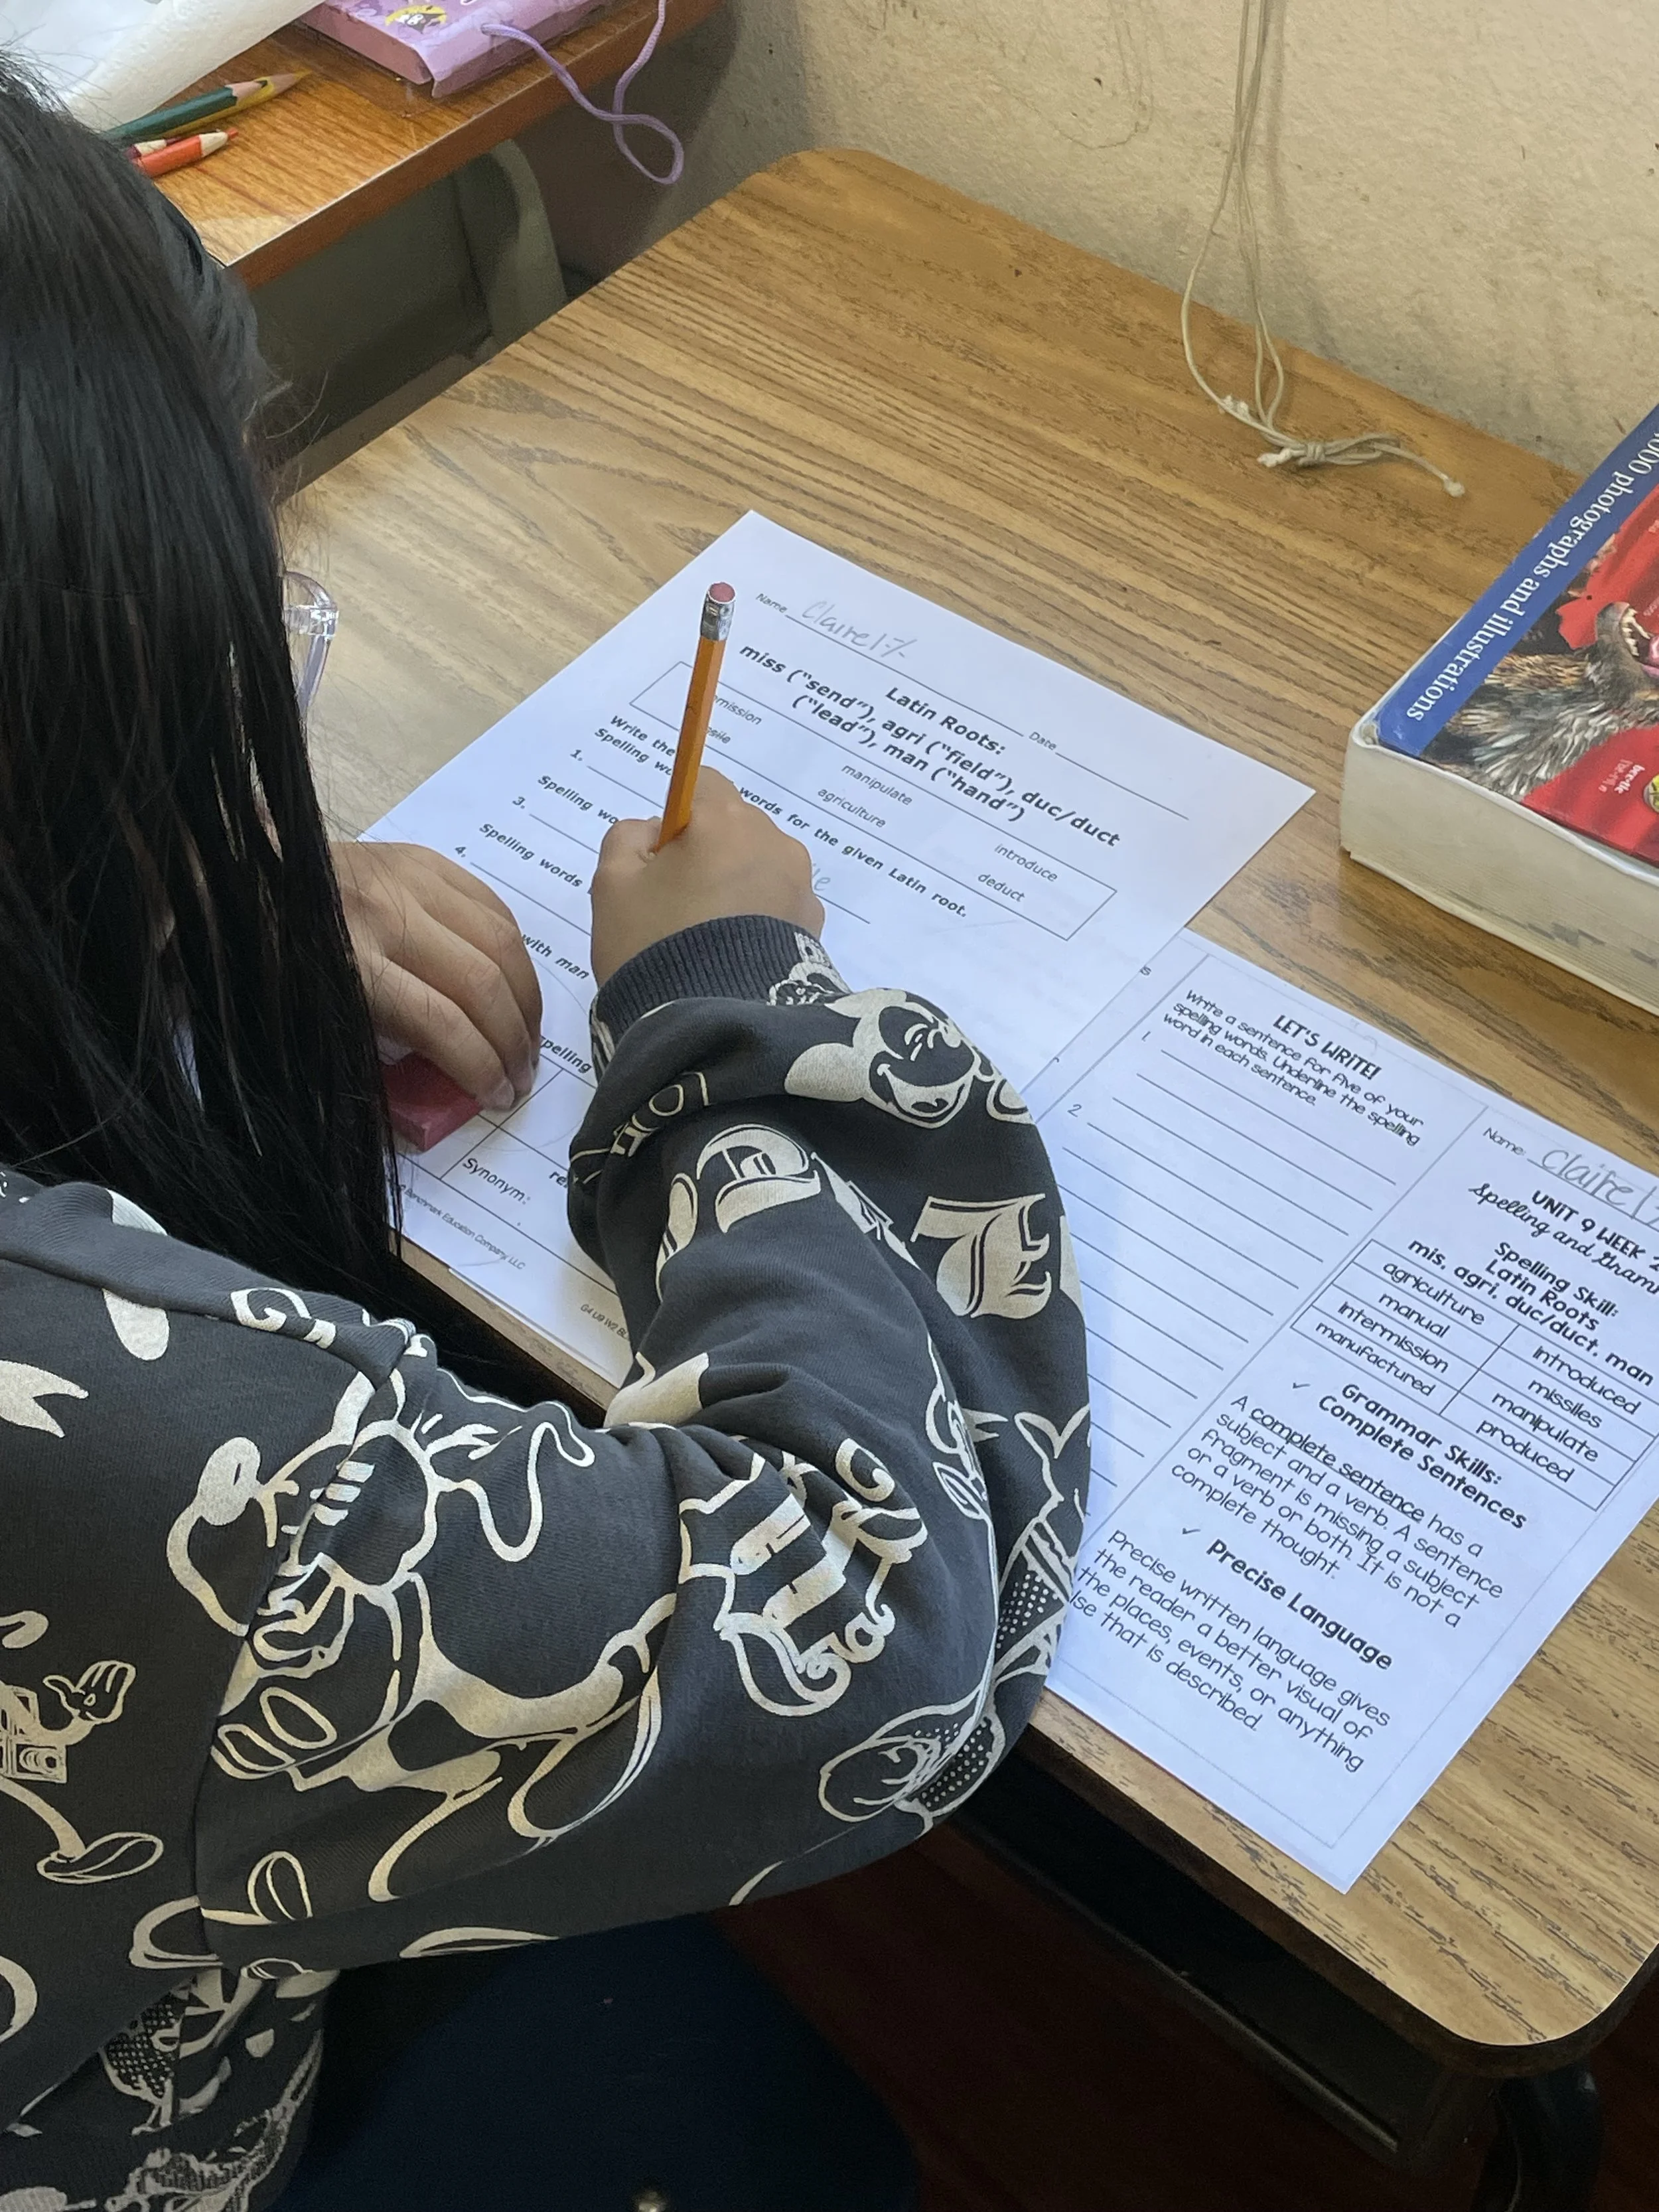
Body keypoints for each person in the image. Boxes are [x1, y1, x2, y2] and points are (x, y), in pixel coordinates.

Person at [0, 58, 1089, 2212]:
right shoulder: (91, 1431)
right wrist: (727, 1013)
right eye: (217, 658)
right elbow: (872, 1632)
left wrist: (154, 866)